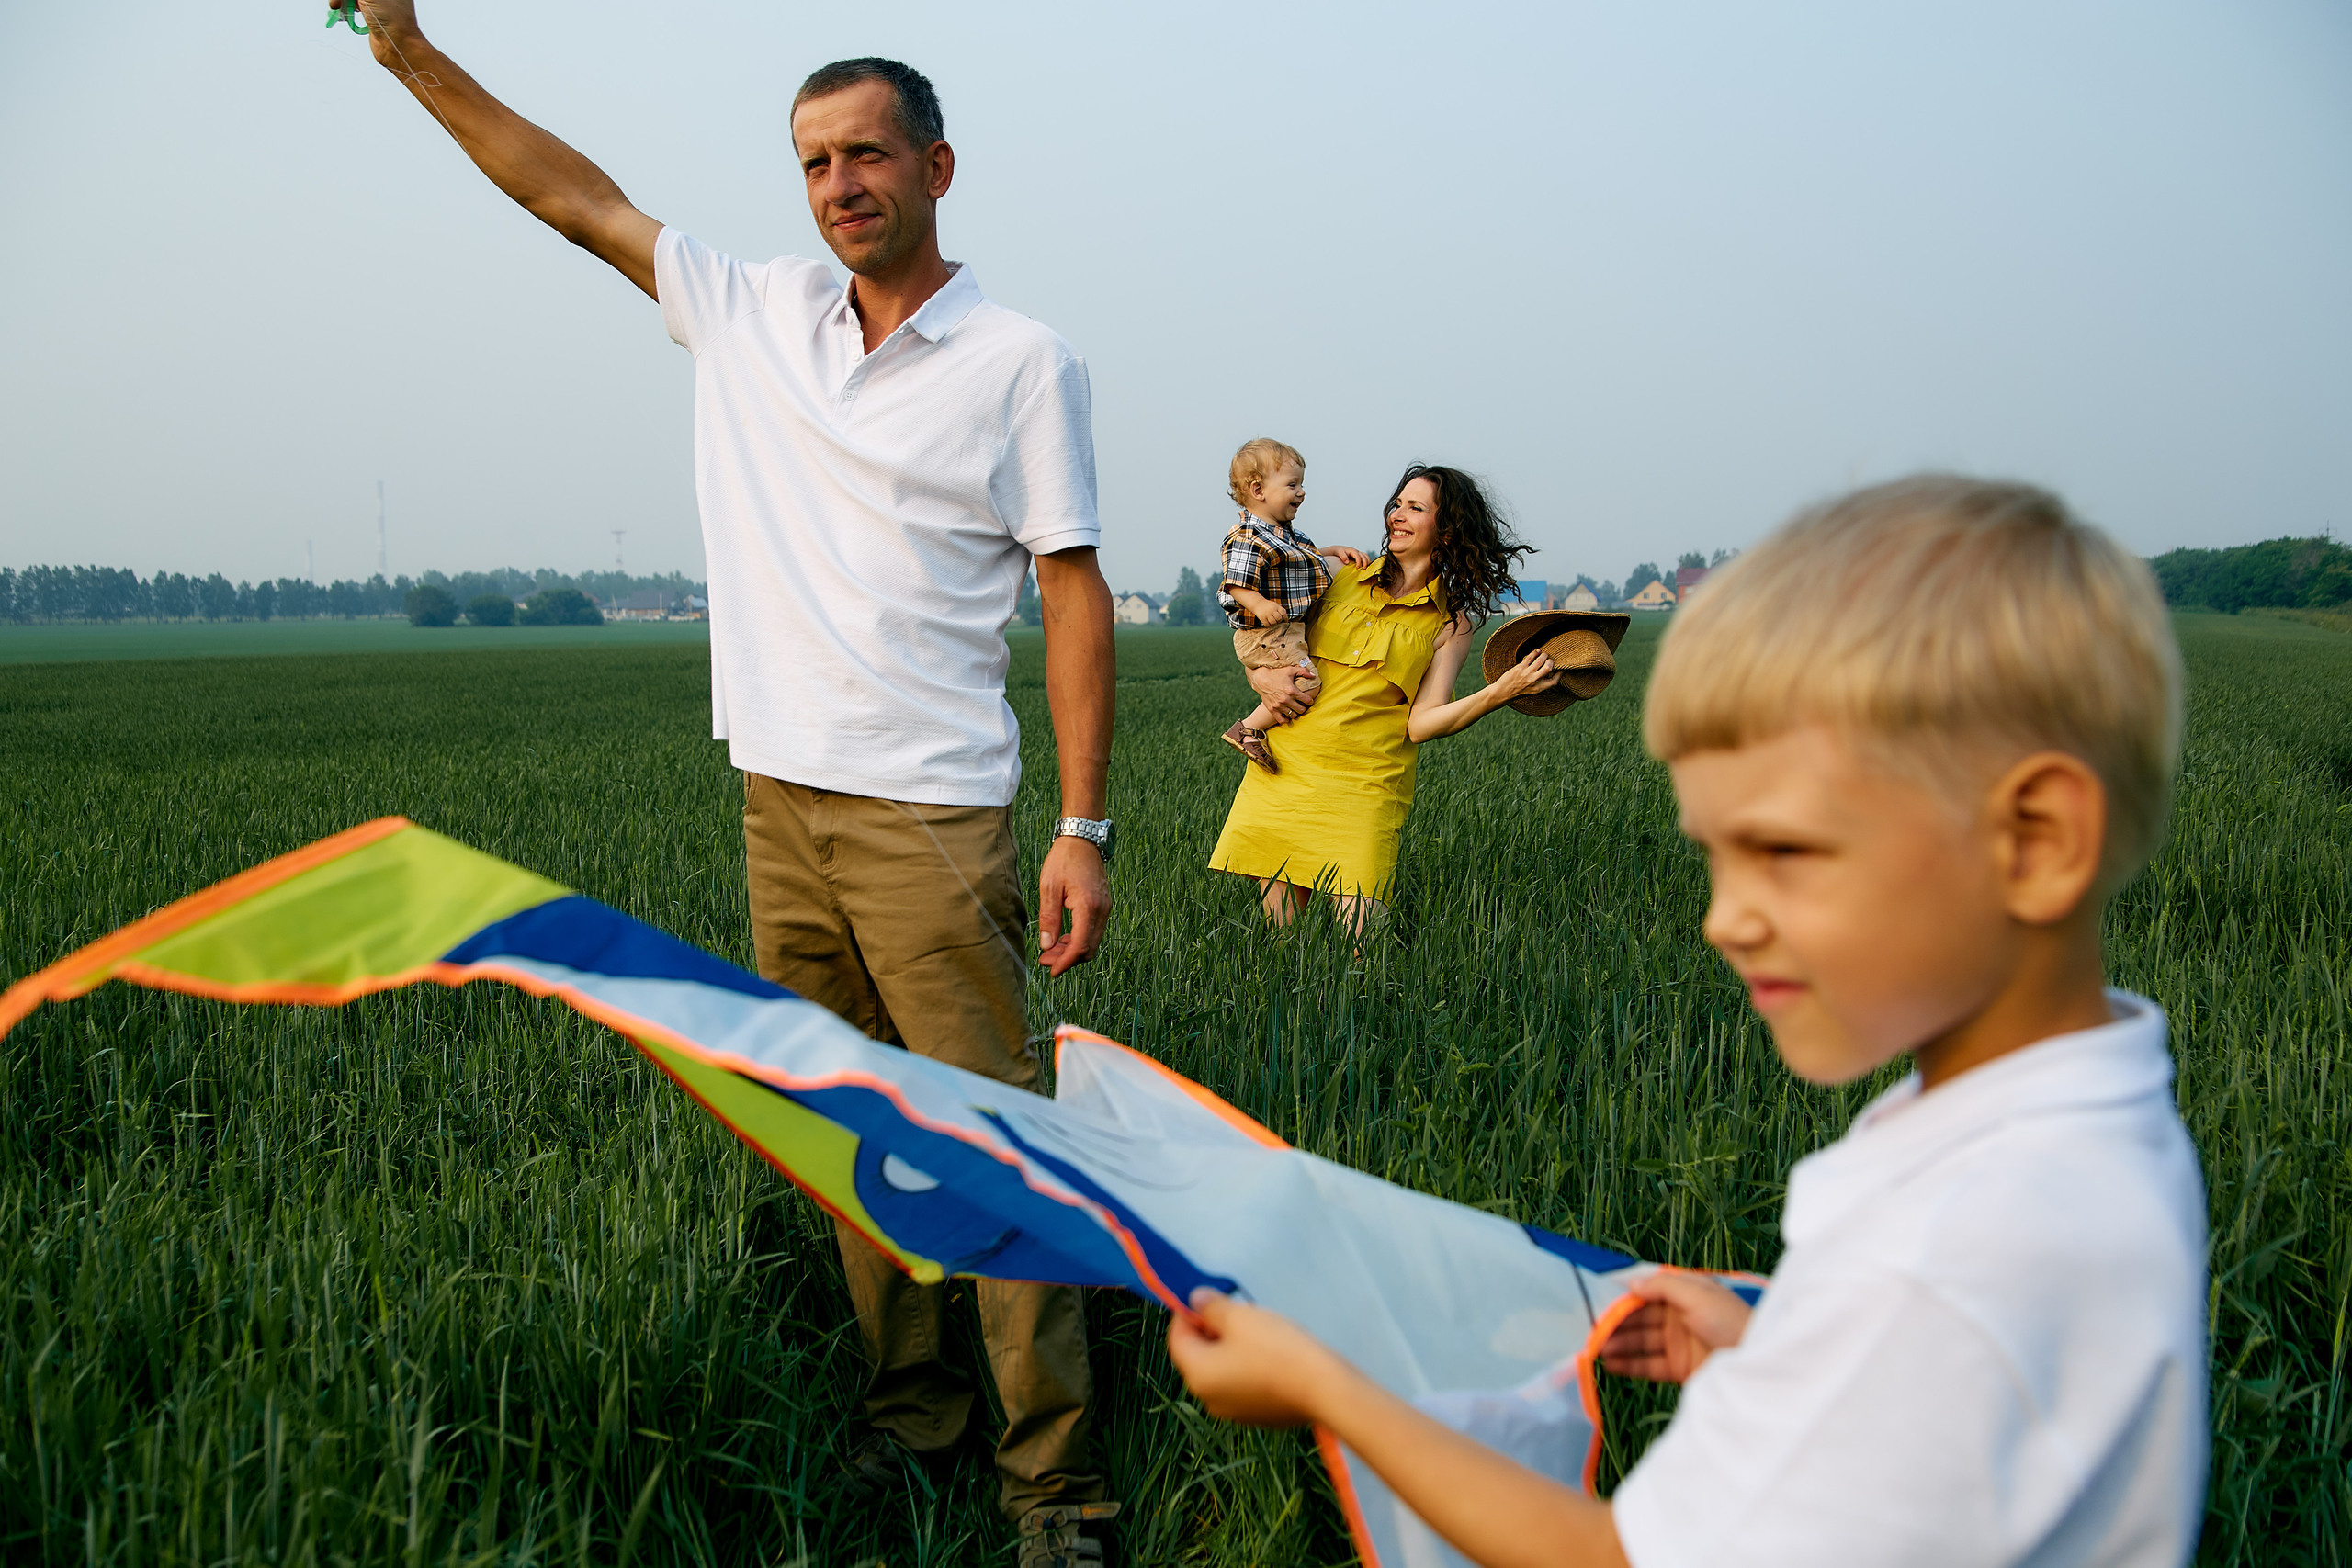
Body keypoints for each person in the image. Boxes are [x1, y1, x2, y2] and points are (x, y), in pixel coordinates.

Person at [343, 7, 1122, 1559]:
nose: (840, 185)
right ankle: (915, 1425)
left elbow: (1075, 591)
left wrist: (1083, 826)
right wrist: (406, 51)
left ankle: (1058, 1490)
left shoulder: (1021, 361)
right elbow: (567, 192)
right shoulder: (751, 308)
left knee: (992, 1142)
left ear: (937, 166)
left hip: (931, 816)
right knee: (850, 1134)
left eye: (868, 155)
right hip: (778, 804)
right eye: (815, 162)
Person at [1170, 476, 2210, 1566]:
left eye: (1789, 853)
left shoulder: (1974, 1245)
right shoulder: (2038, 1136)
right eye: (1716, 854)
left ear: (2037, 841)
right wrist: (1779, 1343)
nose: (1726, 922)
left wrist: (1326, 1389)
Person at [1209, 464, 1561, 932]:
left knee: (1362, 950)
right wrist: (1259, 677)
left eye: (1416, 507)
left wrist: (1501, 691)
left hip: (1367, 787)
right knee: (1282, 948)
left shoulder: (1452, 621)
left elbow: (1422, 723)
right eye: (1397, 503)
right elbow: (1255, 620)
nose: (1398, 514)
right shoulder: (1338, 573)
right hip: (1286, 770)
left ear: (1449, 531)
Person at [1216, 438, 1370, 770]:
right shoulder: (1248, 536)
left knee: (1297, 678)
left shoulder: (1286, 535)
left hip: (1282, 630)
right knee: (1306, 681)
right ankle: (1248, 729)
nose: (1301, 492)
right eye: (1292, 484)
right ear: (1258, 490)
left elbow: (1304, 560)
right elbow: (1235, 584)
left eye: (1301, 484)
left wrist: (1332, 551)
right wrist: (1258, 605)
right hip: (1266, 633)